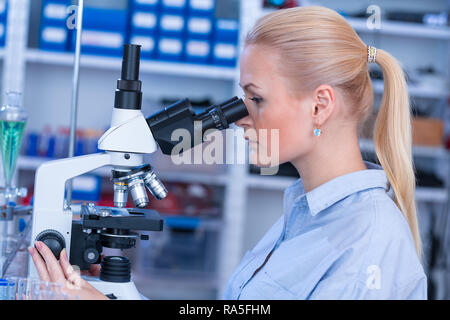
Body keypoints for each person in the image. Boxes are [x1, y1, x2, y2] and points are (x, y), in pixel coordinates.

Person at [29, 6, 427, 299]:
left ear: (320, 106)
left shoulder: (367, 242)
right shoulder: (303, 213)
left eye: (255, 99)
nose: (238, 119)